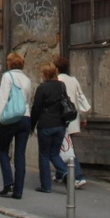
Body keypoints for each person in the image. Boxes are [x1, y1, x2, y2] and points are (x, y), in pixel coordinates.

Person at [0, 52, 34, 199]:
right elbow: (28, 100)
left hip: (10, 118)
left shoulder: (7, 76)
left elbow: (2, 99)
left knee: (3, 151)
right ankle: (18, 190)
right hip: (25, 117)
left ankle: (8, 182)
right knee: (20, 155)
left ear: (10, 63)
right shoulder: (27, 80)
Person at [53, 54, 91, 188]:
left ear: (56, 68)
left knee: (67, 150)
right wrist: (83, 118)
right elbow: (81, 99)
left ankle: (78, 176)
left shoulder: (56, 80)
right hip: (73, 119)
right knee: (62, 147)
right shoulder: (73, 80)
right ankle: (60, 174)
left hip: (61, 120)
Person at [29, 62, 68, 194]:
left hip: (46, 125)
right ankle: (66, 173)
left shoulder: (42, 88)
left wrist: (31, 125)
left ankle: (46, 185)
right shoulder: (61, 86)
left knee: (44, 155)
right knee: (54, 153)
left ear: (45, 74)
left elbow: (36, 108)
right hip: (60, 124)